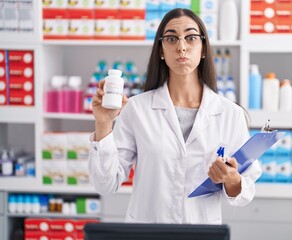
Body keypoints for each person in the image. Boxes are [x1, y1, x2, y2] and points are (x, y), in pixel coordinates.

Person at [88, 8, 262, 224]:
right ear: (161, 50)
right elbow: (105, 184)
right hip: (148, 232)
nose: (181, 46)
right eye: (171, 39)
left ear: (203, 48)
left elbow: (245, 190)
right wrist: (103, 123)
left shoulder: (230, 114)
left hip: (200, 232)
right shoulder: (137, 109)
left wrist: (232, 179)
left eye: (190, 38)